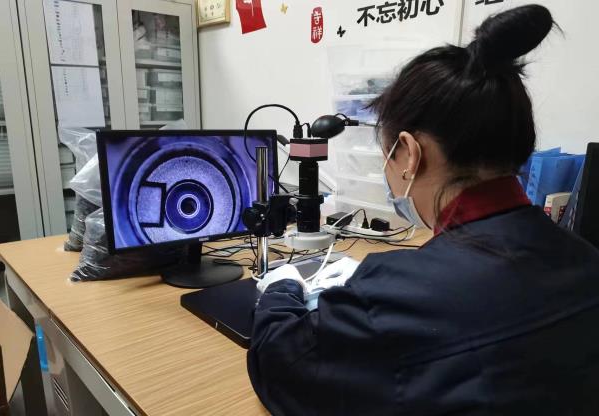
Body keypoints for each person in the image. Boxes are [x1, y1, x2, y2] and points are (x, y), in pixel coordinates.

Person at [247, 5, 599, 415]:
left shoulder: (394, 295)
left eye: (386, 155)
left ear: (409, 153)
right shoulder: (587, 260)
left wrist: (282, 287)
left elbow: (281, 365)